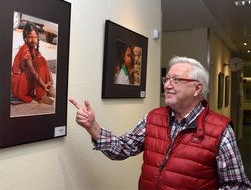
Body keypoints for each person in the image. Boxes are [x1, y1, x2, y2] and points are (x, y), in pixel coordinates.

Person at [69, 56, 251, 189]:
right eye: (167, 79)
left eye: (177, 80)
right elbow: (122, 148)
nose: (167, 85)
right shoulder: (153, 118)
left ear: (197, 89)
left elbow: (237, 185)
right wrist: (92, 126)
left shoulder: (220, 130)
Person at [11, 22, 55, 105]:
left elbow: (45, 66)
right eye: (30, 37)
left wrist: (51, 84)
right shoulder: (25, 49)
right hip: (18, 86)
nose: (33, 40)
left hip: (25, 82)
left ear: (38, 38)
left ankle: (48, 91)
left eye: (35, 37)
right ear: (25, 38)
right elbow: (33, 72)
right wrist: (43, 86)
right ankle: (42, 96)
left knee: (42, 60)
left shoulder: (34, 50)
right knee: (38, 61)